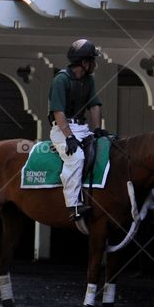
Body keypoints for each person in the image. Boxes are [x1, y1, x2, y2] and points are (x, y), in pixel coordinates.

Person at [48, 39, 104, 221]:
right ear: (85, 63)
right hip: (62, 129)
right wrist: (69, 137)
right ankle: (73, 206)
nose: (95, 64)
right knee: (77, 157)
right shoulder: (61, 80)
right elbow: (58, 112)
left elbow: (94, 106)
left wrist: (97, 130)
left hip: (82, 127)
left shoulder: (89, 80)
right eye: (93, 61)